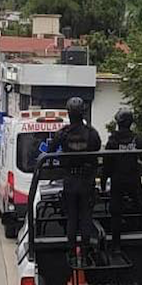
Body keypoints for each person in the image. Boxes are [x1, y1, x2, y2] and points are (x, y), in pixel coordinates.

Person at [45, 96, 102, 266]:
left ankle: (71, 253)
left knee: (72, 217)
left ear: (69, 114)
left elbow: (50, 149)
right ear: (83, 112)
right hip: (86, 181)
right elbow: (97, 147)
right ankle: (84, 254)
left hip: (70, 180)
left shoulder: (63, 133)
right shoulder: (91, 133)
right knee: (85, 216)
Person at [103, 107, 142, 253]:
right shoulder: (136, 138)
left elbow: (107, 164)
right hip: (133, 180)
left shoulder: (113, 140)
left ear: (118, 122)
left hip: (117, 181)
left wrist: (104, 182)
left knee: (116, 213)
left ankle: (116, 245)